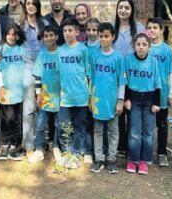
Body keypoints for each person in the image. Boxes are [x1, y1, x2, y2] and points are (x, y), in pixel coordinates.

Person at [89, 22, 125, 174]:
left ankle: (111, 160)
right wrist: (90, 98)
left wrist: (120, 101)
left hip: (112, 101)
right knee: (97, 130)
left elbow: (122, 81)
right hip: (97, 100)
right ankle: (98, 159)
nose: (103, 39)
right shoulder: (94, 55)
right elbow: (91, 78)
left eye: (106, 36)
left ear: (113, 37)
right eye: (101, 36)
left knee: (113, 131)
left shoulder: (118, 57)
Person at [56, 18, 91, 169]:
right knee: (63, 126)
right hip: (65, 97)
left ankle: (76, 154)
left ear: (77, 32)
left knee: (79, 127)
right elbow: (58, 73)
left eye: (70, 30)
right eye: (65, 31)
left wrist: (89, 95)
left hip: (81, 96)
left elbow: (88, 73)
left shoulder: (83, 50)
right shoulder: (60, 50)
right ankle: (66, 153)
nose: (67, 33)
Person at [124, 32, 161, 175]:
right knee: (134, 131)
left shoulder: (153, 61)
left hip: (149, 100)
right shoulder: (128, 60)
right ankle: (133, 160)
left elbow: (157, 82)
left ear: (149, 47)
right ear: (134, 46)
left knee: (148, 132)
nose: (141, 47)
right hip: (134, 99)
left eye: (144, 44)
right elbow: (125, 80)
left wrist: (156, 102)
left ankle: (145, 161)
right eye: (138, 44)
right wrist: (127, 99)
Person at [113, 0, 145, 154]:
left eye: (127, 8)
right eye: (120, 7)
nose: (123, 10)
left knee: (132, 110)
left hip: (134, 77)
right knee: (118, 111)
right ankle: (121, 146)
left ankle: (133, 146)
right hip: (115, 76)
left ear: (132, 10)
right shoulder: (112, 27)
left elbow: (144, 50)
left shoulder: (139, 28)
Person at [19, 0, 48, 157]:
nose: (30, 6)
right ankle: (29, 144)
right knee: (29, 107)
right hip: (27, 66)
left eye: (33, 3)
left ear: (37, 5)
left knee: (44, 106)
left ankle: (43, 143)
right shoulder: (20, 24)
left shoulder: (45, 23)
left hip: (45, 66)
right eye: (27, 3)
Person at [147, 17, 172, 167]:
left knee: (162, 124)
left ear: (161, 30)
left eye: (154, 27)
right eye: (149, 28)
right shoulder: (144, 47)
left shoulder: (167, 50)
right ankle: (146, 152)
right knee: (146, 124)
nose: (151, 30)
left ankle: (161, 153)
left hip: (163, 92)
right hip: (147, 92)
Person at [28, 25, 61, 164]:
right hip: (45, 96)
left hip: (60, 96)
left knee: (59, 124)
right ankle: (40, 149)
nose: (48, 38)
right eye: (46, 36)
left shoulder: (62, 53)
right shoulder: (42, 54)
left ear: (57, 37)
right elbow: (38, 76)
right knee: (41, 124)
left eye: (51, 35)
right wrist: (38, 94)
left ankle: (56, 147)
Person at [0, 23, 26, 161]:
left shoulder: (22, 50)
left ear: (18, 36)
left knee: (16, 119)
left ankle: (15, 145)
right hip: (5, 92)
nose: (11, 37)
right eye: (8, 34)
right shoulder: (1, 50)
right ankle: (5, 144)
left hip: (19, 91)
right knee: (5, 119)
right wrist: (0, 86)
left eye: (14, 34)